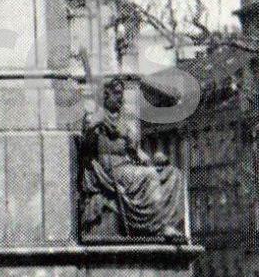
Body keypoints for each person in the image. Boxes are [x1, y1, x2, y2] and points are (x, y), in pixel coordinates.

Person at [78, 78, 187, 241]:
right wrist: (94, 124)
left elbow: (136, 152)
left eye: (121, 94)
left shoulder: (124, 120)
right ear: (106, 94)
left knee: (173, 174)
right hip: (110, 171)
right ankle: (160, 227)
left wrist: (151, 160)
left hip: (128, 167)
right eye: (116, 94)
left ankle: (171, 224)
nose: (120, 98)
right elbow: (85, 147)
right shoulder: (94, 117)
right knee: (149, 176)